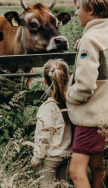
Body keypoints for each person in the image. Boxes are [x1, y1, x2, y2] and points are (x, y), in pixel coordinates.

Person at [66, 0, 108, 188]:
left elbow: (84, 87)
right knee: (97, 167)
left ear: (90, 9)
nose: (75, 13)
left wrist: (69, 95)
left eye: (77, 8)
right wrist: (84, 44)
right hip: (106, 116)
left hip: (89, 119)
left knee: (76, 171)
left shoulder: (90, 40)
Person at [31, 59, 73, 188]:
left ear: (44, 81)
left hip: (50, 158)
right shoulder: (70, 105)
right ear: (68, 79)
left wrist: (37, 157)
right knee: (63, 185)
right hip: (65, 155)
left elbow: (44, 137)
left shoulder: (47, 108)